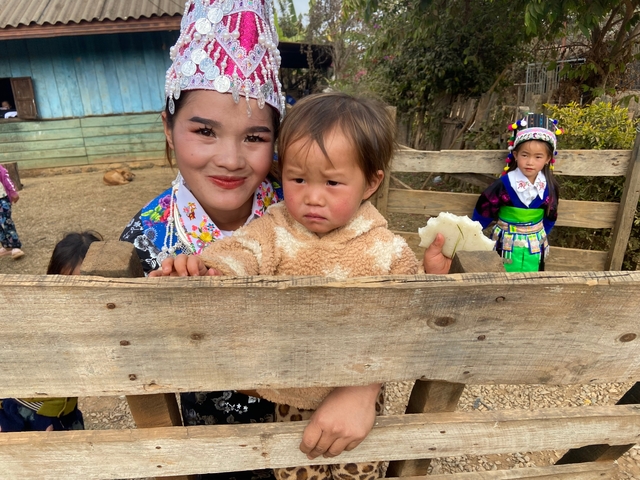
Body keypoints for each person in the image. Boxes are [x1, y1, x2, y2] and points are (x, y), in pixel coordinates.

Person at [120, 1, 451, 477]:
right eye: (205, 131)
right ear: (169, 129)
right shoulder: (150, 238)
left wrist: (362, 388)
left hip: (332, 417)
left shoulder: (301, 200)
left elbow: (390, 294)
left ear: (276, 144)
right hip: (217, 443)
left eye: (254, 137)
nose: (231, 159)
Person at [153, 92, 420, 480]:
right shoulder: (276, 228)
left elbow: (415, 307)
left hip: (359, 389)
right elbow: (240, 252)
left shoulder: (385, 246)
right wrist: (206, 269)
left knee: (360, 470)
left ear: (370, 184)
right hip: (290, 394)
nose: (312, 197)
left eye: (332, 182)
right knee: (297, 466)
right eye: (298, 179)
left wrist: (436, 278)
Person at [0, 231, 103, 432]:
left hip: (65, 414)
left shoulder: (98, 322)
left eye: (89, 286)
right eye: (69, 284)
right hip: (19, 412)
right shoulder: (34, 317)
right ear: (53, 278)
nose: (79, 296)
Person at [472, 113, 562, 272]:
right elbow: (483, 212)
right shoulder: (503, 185)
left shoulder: (550, 187)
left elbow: (551, 216)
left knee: (530, 283)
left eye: (538, 157)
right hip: (505, 244)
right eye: (525, 155)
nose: (530, 162)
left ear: (548, 158)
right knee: (500, 278)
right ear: (515, 155)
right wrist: (473, 235)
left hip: (534, 246)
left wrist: (538, 234)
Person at [0, 163, 24, 259]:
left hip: (2, 199)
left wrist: (13, 192)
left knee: (6, 222)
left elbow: (6, 179)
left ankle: (15, 246)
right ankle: (6, 246)